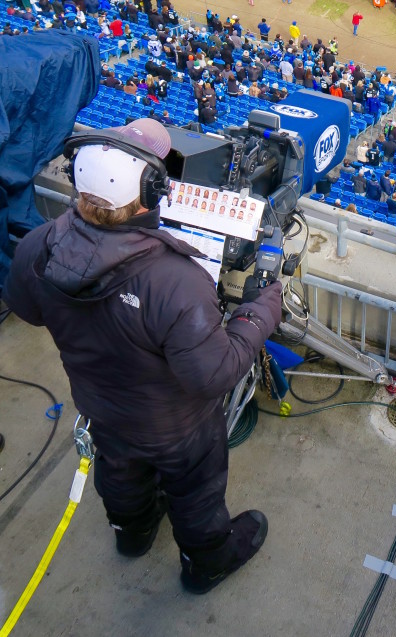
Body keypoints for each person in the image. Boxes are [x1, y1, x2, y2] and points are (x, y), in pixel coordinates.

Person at [2, 119, 282, 594]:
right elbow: (213, 373)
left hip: (102, 411)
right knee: (194, 495)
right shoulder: (176, 281)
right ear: (151, 193)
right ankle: (206, 563)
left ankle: (132, 535)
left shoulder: (38, 246)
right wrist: (261, 310)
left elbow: (29, 309)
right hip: (177, 429)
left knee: (121, 477)